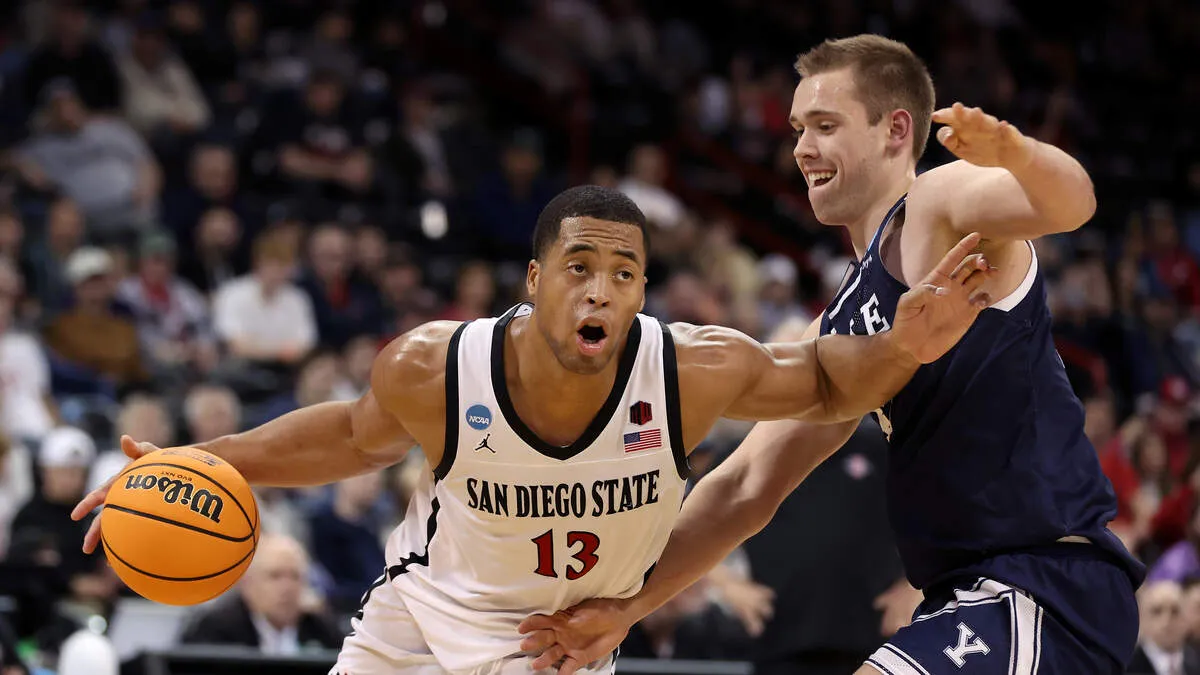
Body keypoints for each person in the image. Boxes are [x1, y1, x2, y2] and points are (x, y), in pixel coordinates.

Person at [75, 185, 992, 674]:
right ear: (533, 278)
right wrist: (202, 455)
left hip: (561, 646)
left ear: (642, 289)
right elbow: (353, 439)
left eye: (623, 272)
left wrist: (902, 345)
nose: (600, 289)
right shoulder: (437, 365)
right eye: (578, 265)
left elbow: (827, 381)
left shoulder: (691, 367)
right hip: (421, 629)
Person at [518, 35, 1145, 675]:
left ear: (895, 130)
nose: (801, 149)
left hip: (1044, 581)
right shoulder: (838, 324)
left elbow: (1072, 203)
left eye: (825, 125)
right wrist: (627, 607)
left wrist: (1017, 153)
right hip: (962, 596)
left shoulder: (938, 206)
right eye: (797, 129)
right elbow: (745, 486)